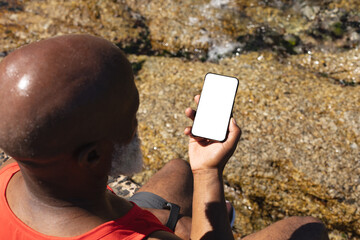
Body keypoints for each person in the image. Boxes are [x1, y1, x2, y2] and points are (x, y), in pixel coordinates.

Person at [0, 34, 329, 240]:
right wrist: (208, 172)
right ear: (93, 157)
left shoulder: (15, 171)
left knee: (176, 171)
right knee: (308, 229)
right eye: (131, 115)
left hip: (89, 216)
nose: (136, 122)